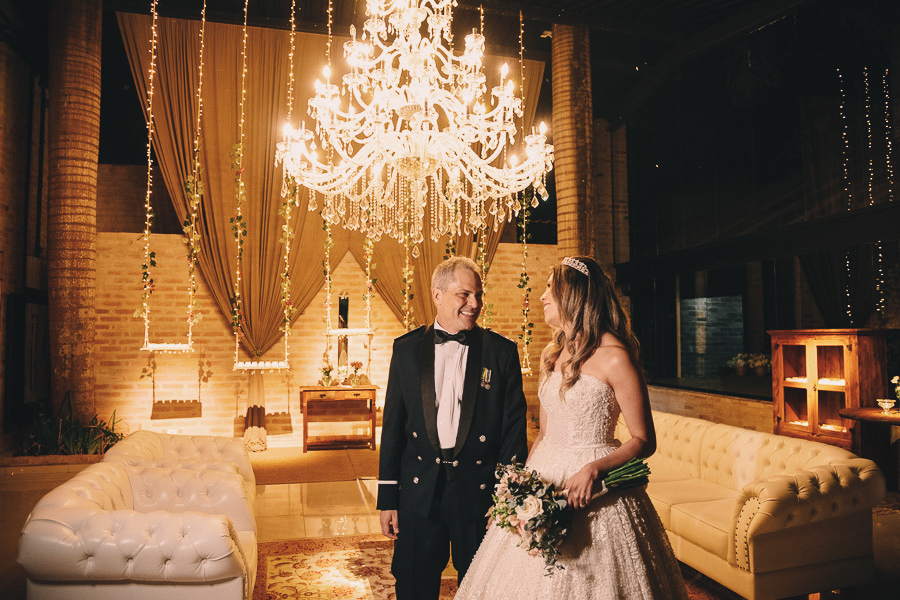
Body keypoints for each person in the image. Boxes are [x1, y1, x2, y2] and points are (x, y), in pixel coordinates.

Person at [455, 256, 688, 600]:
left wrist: (593, 468)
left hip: (597, 491)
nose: (542, 297)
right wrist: (512, 495)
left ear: (573, 295)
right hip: (545, 475)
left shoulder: (615, 357)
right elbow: (545, 435)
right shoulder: (553, 355)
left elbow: (643, 439)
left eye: (550, 288)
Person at [377, 256, 529, 600]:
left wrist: (506, 499)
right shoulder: (406, 349)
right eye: (464, 295)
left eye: (478, 295)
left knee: (483, 587)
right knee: (414, 584)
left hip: (479, 495)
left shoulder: (501, 352)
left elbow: (512, 432)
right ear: (438, 295)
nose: (474, 304)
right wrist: (388, 498)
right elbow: (393, 428)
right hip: (419, 492)